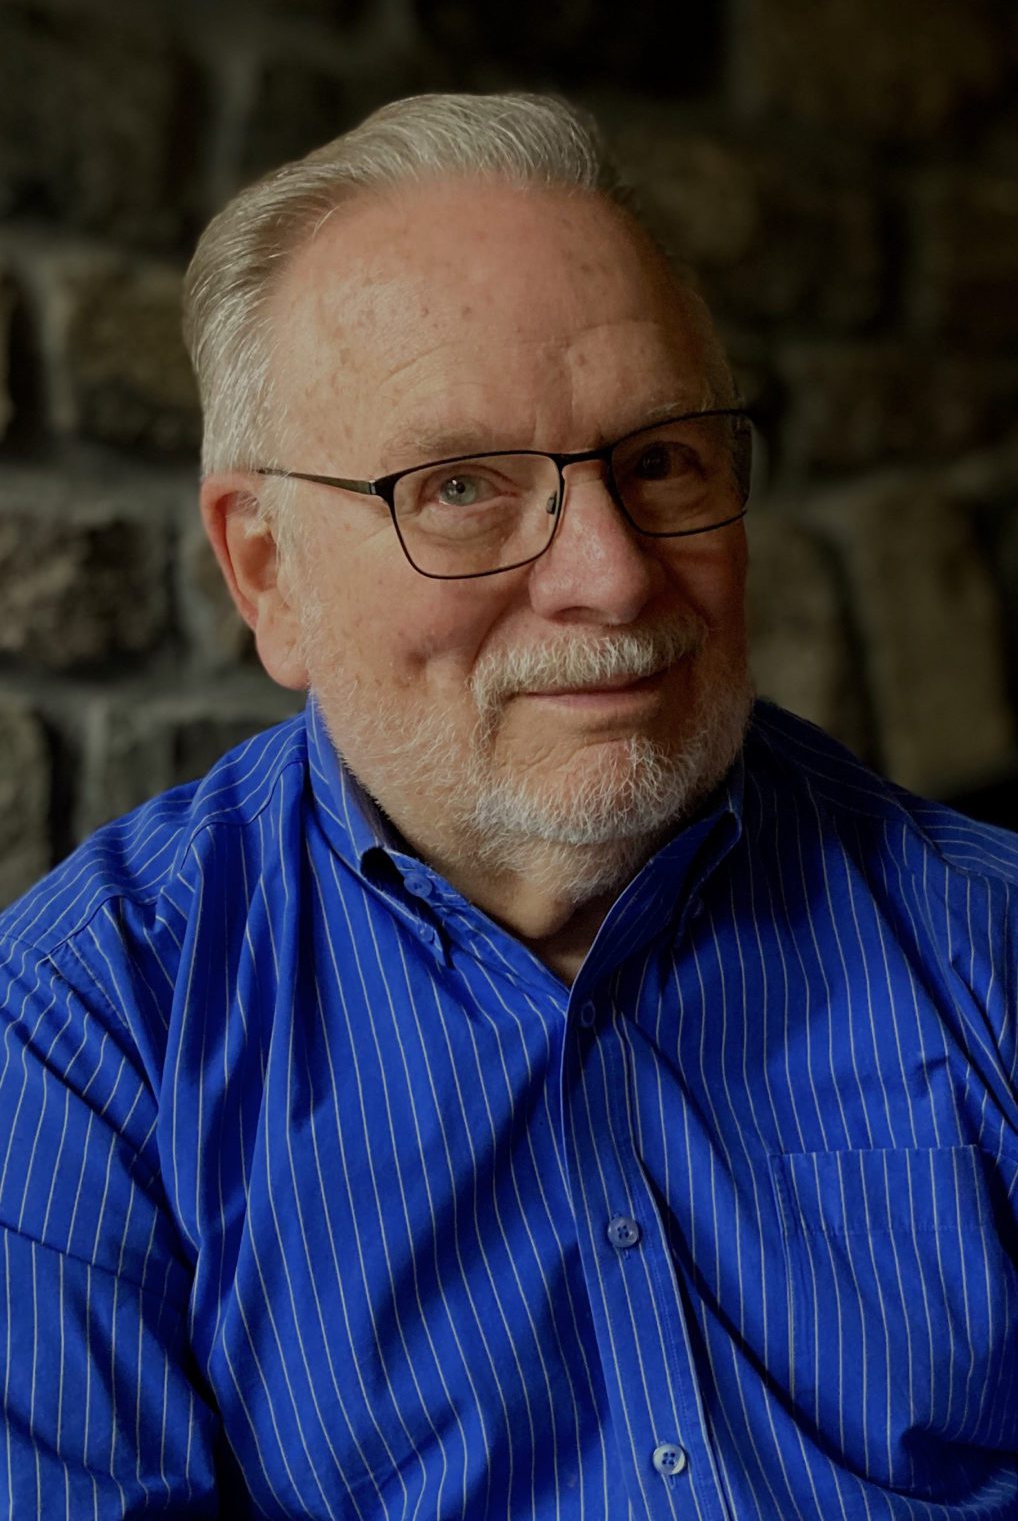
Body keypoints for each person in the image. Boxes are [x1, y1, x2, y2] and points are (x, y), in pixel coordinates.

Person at [0, 91, 1015, 1521]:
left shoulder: (986, 943)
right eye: (460, 485)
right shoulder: (83, 1036)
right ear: (265, 573)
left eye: (658, 459)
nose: (606, 574)